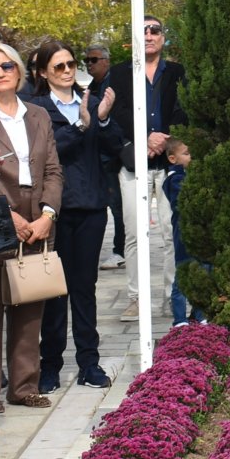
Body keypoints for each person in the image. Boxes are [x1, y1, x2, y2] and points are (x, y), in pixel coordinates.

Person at [27, 40, 121, 393]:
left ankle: (89, 363)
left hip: (91, 205)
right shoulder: (35, 108)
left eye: (70, 64)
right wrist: (81, 126)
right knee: (54, 291)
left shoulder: (92, 102)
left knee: (84, 287)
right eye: (59, 66)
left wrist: (103, 119)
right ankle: (50, 364)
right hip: (53, 209)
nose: (67, 71)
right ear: (43, 73)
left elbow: (115, 146)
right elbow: (45, 152)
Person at [0, 43, 62, 414]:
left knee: (30, 301)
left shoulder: (38, 114)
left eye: (7, 66)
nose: (0, 73)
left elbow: (53, 170)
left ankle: (25, 386)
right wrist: (7, 215)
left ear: (19, 71)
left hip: (37, 211)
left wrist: (47, 215)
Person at [108, 16, 187, 315]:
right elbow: (116, 112)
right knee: (134, 234)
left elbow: (183, 110)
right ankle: (136, 299)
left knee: (171, 232)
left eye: (155, 30)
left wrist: (163, 140)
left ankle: (172, 298)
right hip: (133, 164)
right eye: (143, 31)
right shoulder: (119, 73)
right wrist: (144, 137)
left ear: (163, 37)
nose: (150, 35)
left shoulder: (177, 72)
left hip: (169, 163)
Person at [83, 45, 124, 267]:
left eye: (94, 59)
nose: (89, 64)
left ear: (106, 61)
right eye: (86, 60)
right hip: (98, 155)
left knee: (117, 205)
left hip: (115, 155)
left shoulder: (115, 83)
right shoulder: (91, 87)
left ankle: (120, 250)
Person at [161, 138, 206, 327]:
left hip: (198, 235)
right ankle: (180, 319)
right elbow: (183, 202)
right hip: (183, 235)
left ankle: (199, 314)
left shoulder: (190, 175)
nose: (191, 157)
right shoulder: (174, 179)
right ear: (173, 158)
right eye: (186, 154)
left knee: (202, 274)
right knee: (183, 275)